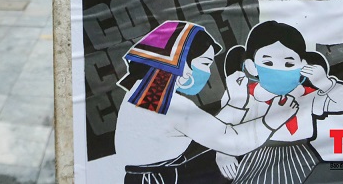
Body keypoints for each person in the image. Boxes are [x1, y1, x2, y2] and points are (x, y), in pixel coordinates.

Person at [113, 20, 300, 183]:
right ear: (181, 60)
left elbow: (202, 130)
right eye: (204, 63)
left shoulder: (146, 92)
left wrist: (236, 103)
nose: (208, 72)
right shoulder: (168, 104)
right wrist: (273, 119)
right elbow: (232, 140)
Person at [219, 20, 343, 183]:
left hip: (304, 158)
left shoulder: (307, 95)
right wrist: (223, 153)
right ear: (252, 66)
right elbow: (223, 125)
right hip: (259, 159)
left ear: (303, 66)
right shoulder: (245, 95)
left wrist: (326, 83)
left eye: (289, 63)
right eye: (268, 63)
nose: (279, 69)